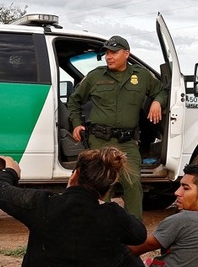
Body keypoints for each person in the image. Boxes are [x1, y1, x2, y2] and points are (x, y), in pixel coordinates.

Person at [0, 147, 147, 267]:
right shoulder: (112, 214)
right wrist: (105, 205)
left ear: (76, 174)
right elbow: (139, 234)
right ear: (107, 187)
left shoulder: (43, 204)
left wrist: (10, 170)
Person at [67, 35, 167, 219]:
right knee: (101, 186)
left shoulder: (142, 76)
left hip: (127, 142)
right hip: (99, 141)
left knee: (133, 183)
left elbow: (161, 90)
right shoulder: (96, 76)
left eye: (114, 52)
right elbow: (74, 100)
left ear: (126, 53)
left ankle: (134, 229)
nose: (108, 56)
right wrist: (76, 124)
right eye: (106, 53)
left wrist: (157, 103)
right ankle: (101, 227)